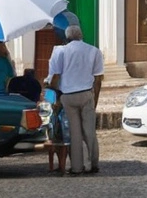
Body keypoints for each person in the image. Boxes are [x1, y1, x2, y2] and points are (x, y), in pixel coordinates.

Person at [45, 25, 104, 175]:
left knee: (74, 132)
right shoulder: (94, 51)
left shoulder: (61, 52)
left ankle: (77, 167)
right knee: (89, 131)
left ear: (67, 37)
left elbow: (55, 77)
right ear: (81, 35)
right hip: (86, 94)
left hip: (68, 96)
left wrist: (54, 93)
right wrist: (95, 99)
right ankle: (93, 163)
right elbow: (98, 80)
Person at [44, 87, 69, 175]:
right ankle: (61, 166)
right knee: (59, 142)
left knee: (59, 141)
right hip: (56, 116)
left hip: (57, 116)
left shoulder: (50, 91)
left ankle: (60, 166)